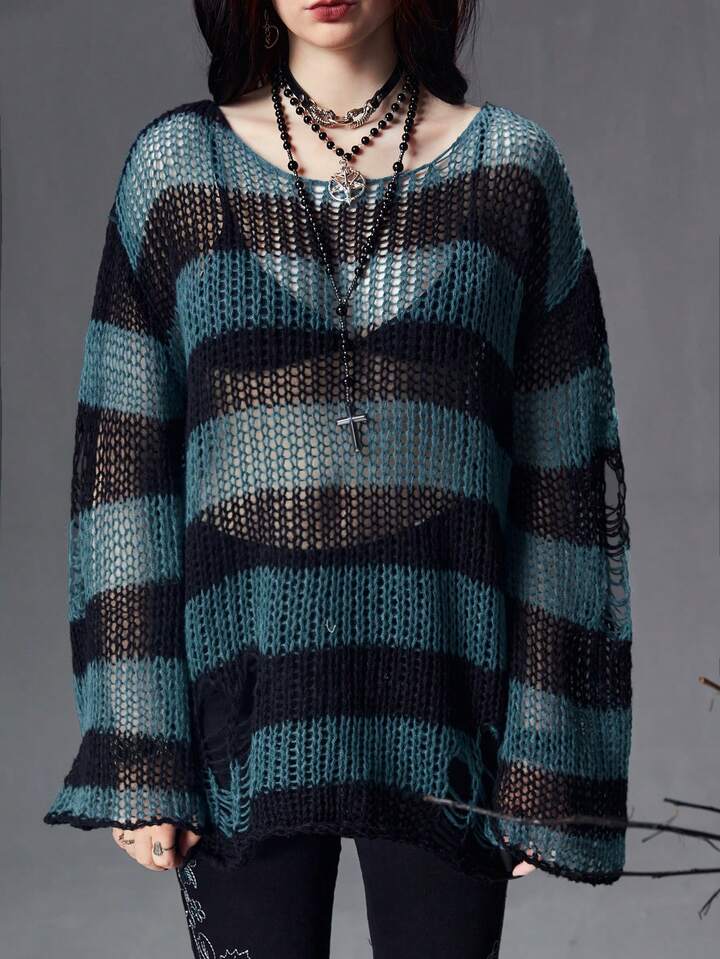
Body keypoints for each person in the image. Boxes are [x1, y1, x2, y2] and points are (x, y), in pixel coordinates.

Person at [43, 1, 633, 956]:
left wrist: (545, 758)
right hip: (240, 721)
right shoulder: (176, 172)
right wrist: (142, 746)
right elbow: (124, 472)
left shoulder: (513, 172)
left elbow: (564, 481)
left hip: (452, 722)